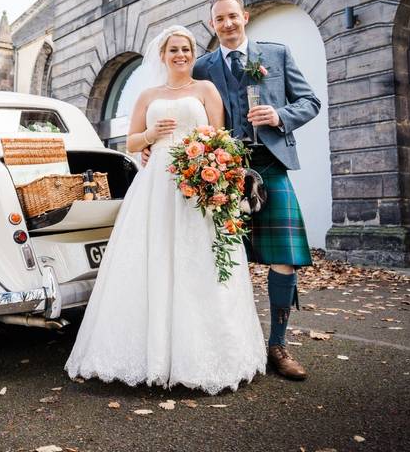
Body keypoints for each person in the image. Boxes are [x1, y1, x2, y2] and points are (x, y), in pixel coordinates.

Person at [65, 25, 267, 394]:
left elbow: (219, 137)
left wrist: (215, 170)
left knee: (199, 262)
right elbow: (130, 142)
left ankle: (203, 354)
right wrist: (152, 135)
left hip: (198, 185)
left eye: (186, 49)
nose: (180, 55)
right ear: (163, 55)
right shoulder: (147, 95)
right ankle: (149, 353)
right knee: (152, 259)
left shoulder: (206, 90)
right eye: (174, 50)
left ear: (193, 54)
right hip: (156, 182)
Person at [192, 0, 321, 381]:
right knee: (224, 260)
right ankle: (233, 343)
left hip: (271, 164)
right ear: (213, 25)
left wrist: (279, 115)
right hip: (223, 169)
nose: (228, 24)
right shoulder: (201, 67)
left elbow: (310, 102)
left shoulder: (276, 54)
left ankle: (278, 346)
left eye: (233, 16)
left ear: (244, 17)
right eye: (219, 20)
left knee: (284, 258)